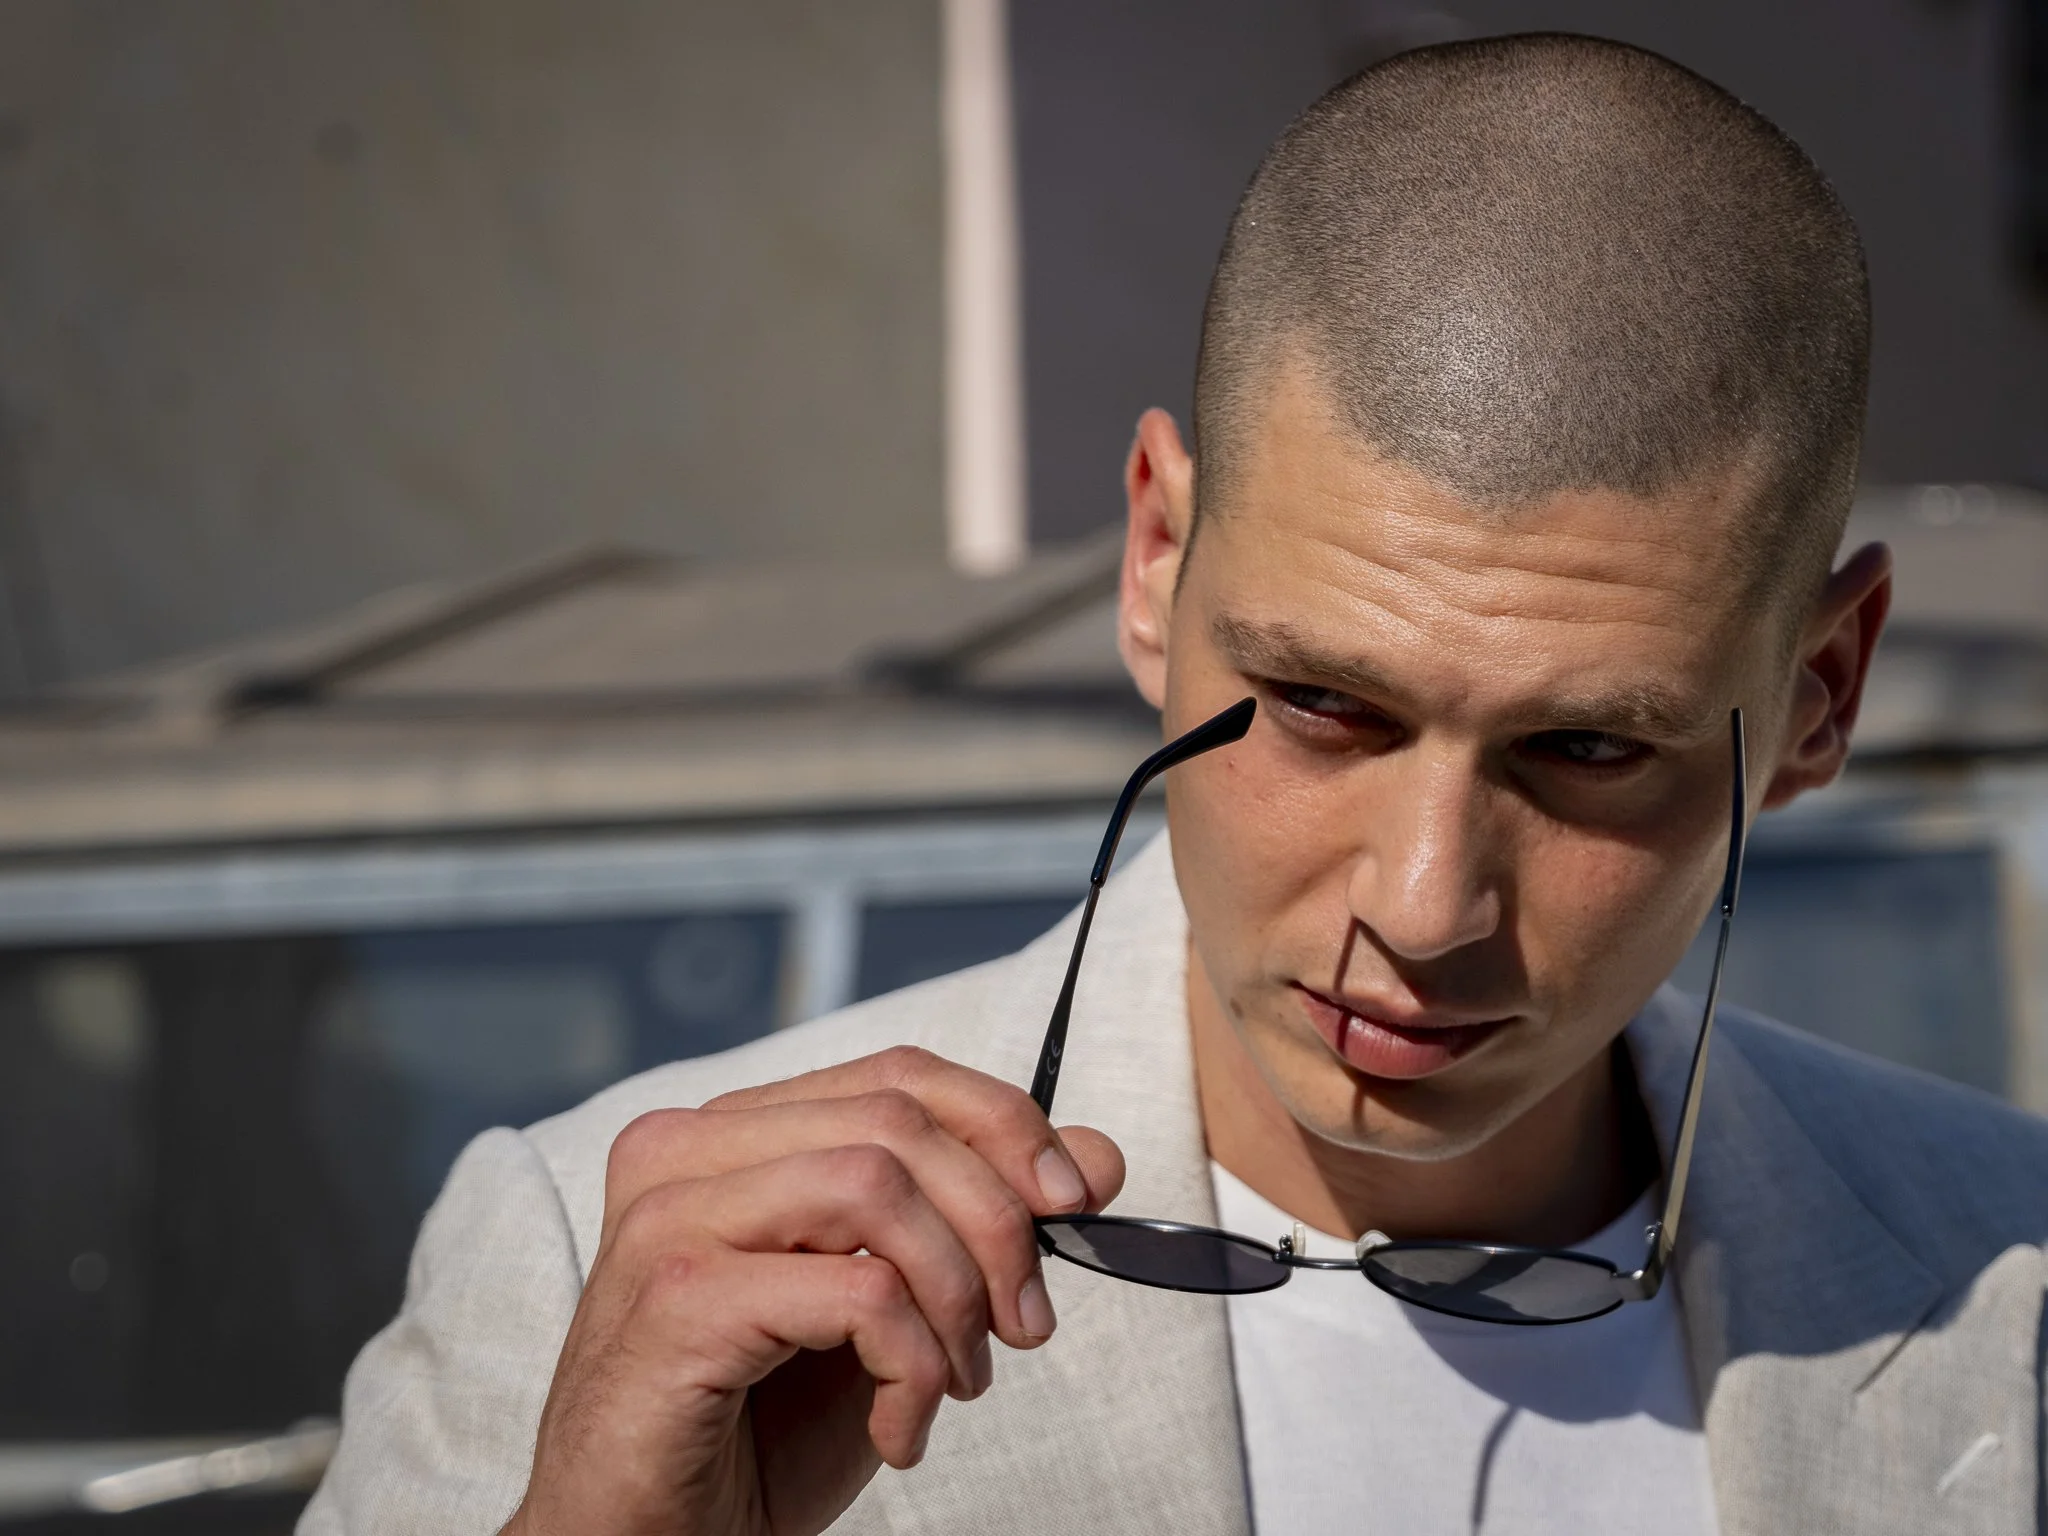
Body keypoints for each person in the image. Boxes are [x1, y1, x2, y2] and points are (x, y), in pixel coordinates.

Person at [303, 33, 2048, 1536]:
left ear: (1819, 696)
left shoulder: (2014, 1281)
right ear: (1154, 559)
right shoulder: (628, 1273)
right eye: (1321, 706)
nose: (1423, 904)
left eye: (1588, 747)